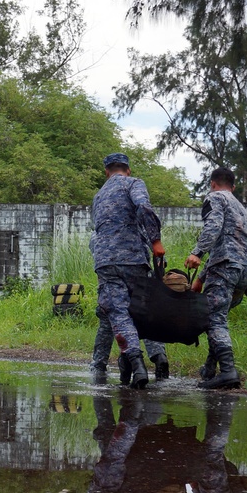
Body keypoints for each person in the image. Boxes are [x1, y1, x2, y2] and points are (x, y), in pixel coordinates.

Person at [90, 152, 166, 390]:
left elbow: (98, 229)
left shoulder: (98, 196)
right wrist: (155, 241)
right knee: (140, 311)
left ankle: (136, 364)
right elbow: (143, 207)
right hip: (133, 258)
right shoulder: (134, 183)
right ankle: (155, 359)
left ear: (106, 172)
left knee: (119, 315)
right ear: (128, 169)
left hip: (105, 262)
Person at [185, 167, 247, 389]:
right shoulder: (240, 207)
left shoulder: (215, 197)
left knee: (215, 319)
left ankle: (228, 372)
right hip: (246, 271)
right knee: (218, 317)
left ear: (212, 183)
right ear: (233, 187)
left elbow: (213, 227)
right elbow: (230, 242)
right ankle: (209, 369)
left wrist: (197, 253)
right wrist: (202, 277)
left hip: (225, 267)